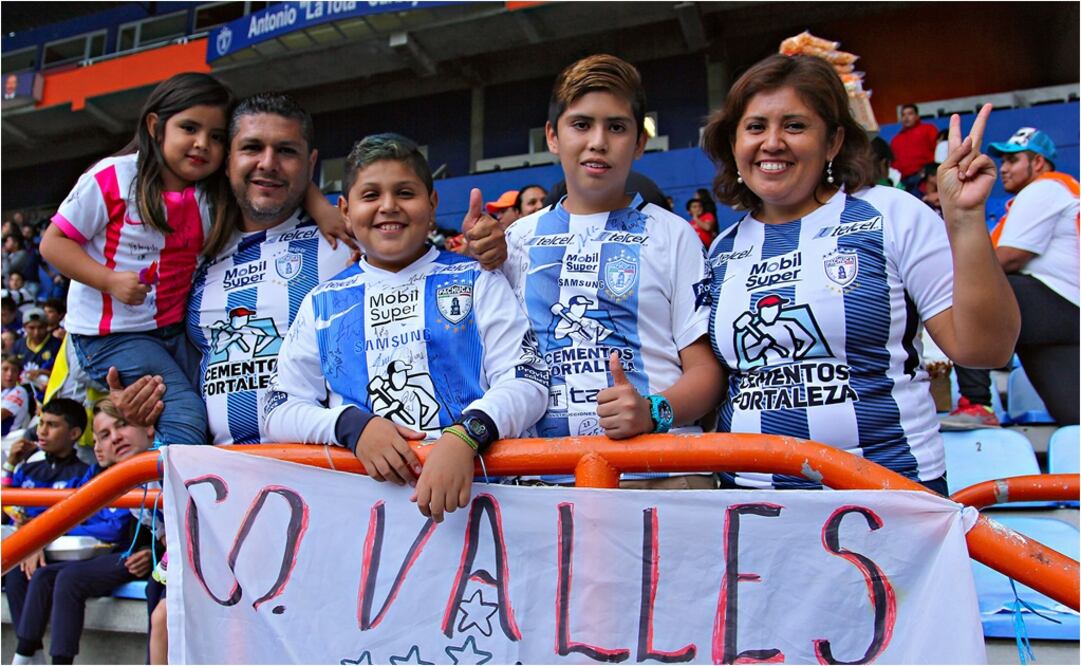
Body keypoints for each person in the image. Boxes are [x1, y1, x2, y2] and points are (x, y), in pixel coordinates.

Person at [701, 54, 1018, 492]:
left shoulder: (891, 214)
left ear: (833, 142)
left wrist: (964, 220)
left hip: (887, 494)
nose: (772, 142)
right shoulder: (721, 248)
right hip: (751, 506)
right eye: (755, 127)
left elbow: (985, 349)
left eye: (795, 126)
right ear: (734, 144)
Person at [264, 133, 548, 522]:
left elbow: (527, 380)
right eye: (370, 196)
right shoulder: (322, 302)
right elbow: (278, 409)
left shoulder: (477, 279)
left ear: (432, 204)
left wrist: (467, 435)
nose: (388, 207)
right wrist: (352, 427)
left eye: (404, 192)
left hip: (483, 512)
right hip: (365, 524)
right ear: (345, 210)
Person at [492, 54, 724, 488]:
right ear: (553, 136)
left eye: (616, 127)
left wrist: (653, 411)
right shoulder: (517, 239)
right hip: (545, 479)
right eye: (581, 124)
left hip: (663, 474)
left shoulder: (674, 235)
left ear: (639, 143)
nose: (598, 141)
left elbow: (706, 374)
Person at [38, 73, 235, 448]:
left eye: (217, 136)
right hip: (110, 337)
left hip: (172, 331)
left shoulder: (213, 192)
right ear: (155, 126)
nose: (202, 144)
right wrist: (109, 281)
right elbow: (53, 244)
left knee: (219, 401)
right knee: (184, 414)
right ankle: (165, 505)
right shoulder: (113, 176)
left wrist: (320, 208)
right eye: (189, 128)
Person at [943, 127, 1079, 427]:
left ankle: (976, 403)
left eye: (1013, 160)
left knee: (967, 291)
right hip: (1060, 316)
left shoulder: (1045, 187)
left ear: (1039, 163)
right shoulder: (1059, 189)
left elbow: (1009, 257)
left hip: (1058, 303)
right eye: (1002, 161)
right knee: (1073, 412)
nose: (1003, 168)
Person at [3, 398, 154, 666]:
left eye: (122, 426)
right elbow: (71, 514)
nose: (114, 440)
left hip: (129, 557)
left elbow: (114, 529)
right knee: (27, 570)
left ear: (149, 427)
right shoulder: (97, 473)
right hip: (108, 553)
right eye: (103, 436)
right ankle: (28, 653)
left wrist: (155, 554)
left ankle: (51, 660)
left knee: (68, 579)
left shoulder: (160, 465)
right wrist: (43, 538)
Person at [890, 103, 940, 195]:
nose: (906, 117)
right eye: (903, 115)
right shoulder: (896, 139)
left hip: (924, 177)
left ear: (917, 116)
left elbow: (938, 151)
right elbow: (894, 162)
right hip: (903, 181)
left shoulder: (929, 129)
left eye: (910, 114)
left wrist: (929, 172)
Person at [11, 307, 62, 393]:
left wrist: (43, 373)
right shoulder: (18, 345)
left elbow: (63, 373)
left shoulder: (57, 345)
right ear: (24, 327)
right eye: (31, 328)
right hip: (22, 392)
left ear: (46, 326)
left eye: (40, 327)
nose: (36, 332)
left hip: (48, 391)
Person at [2, 354, 35, 437]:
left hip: (6, 443)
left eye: (14, 371)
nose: (9, 374)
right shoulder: (4, 392)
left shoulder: (19, 391)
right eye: (5, 369)